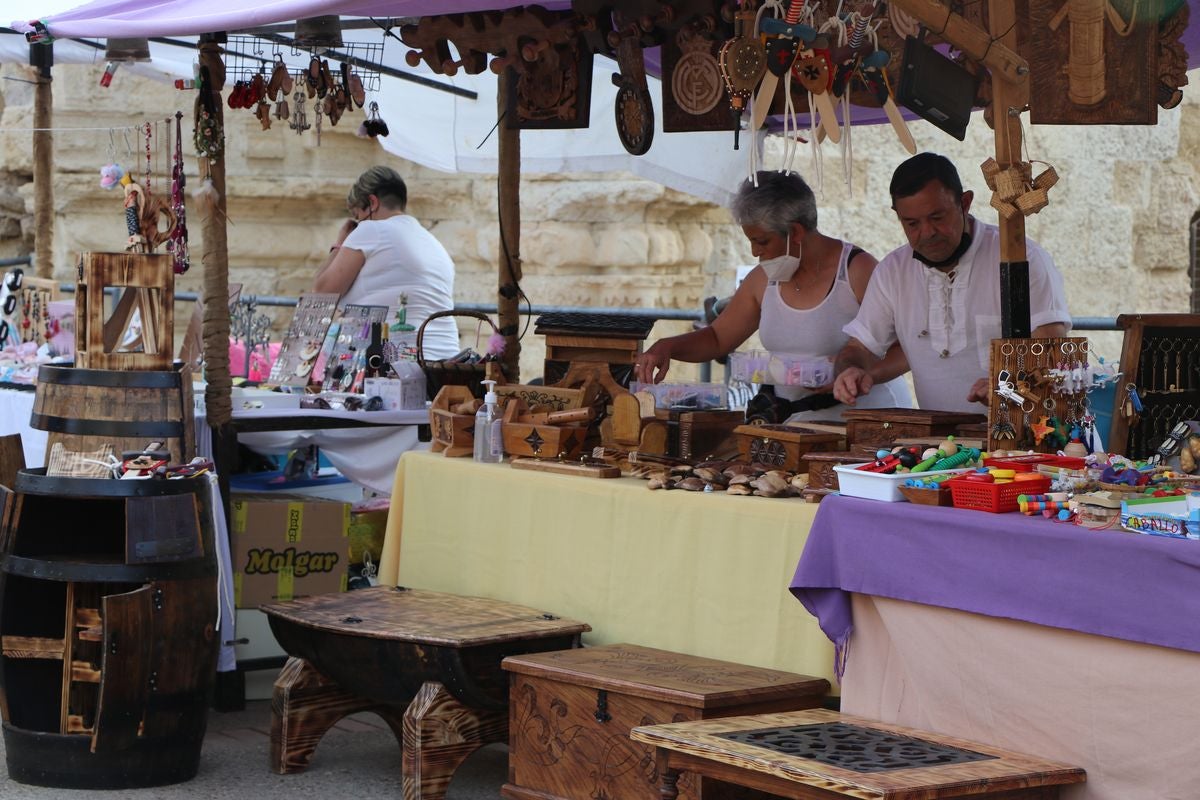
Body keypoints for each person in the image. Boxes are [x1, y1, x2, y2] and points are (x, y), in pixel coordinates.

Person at [633, 170, 910, 422]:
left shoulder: (857, 271)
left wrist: (864, 375)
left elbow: (906, 349)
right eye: (750, 240)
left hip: (867, 423)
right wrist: (667, 347)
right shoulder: (762, 279)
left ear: (796, 232)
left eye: (762, 241)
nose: (755, 252)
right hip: (797, 424)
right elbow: (718, 338)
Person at [833, 153, 1071, 413]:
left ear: (965, 203)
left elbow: (1052, 350)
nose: (927, 232)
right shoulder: (892, 271)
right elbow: (859, 347)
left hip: (1027, 436)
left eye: (937, 218)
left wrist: (1012, 385)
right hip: (943, 445)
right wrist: (850, 369)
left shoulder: (1021, 257)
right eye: (912, 223)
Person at [313, 165, 459, 359]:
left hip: (392, 365)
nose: (358, 225)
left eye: (358, 217)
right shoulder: (434, 243)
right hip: (446, 359)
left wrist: (340, 245)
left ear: (372, 202)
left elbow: (322, 293)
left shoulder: (371, 230)